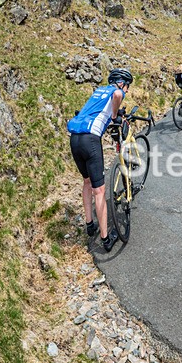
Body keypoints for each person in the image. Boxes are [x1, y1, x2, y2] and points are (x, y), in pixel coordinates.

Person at [67, 68, 133, 252]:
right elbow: (118, 95)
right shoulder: (116, 90)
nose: (127, 91)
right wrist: (114, 116)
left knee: (87, 182)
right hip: (90, 140)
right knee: (99, 190)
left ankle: (90, 225)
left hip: (75, 138)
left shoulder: (98, 92)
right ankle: (106, 239)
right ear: (122, 83)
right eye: (128, 87)